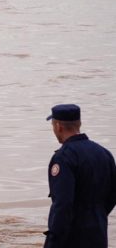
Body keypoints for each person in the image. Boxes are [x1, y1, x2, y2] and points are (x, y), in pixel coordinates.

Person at [44, 104, 116, 247]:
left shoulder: (63, 158)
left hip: (72, 237)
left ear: (58, 126)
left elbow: (63, 204)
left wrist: (53, 241)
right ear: (80, 124)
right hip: (99, 234)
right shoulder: (104, 153)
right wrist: (97, 215)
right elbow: (113, 195)